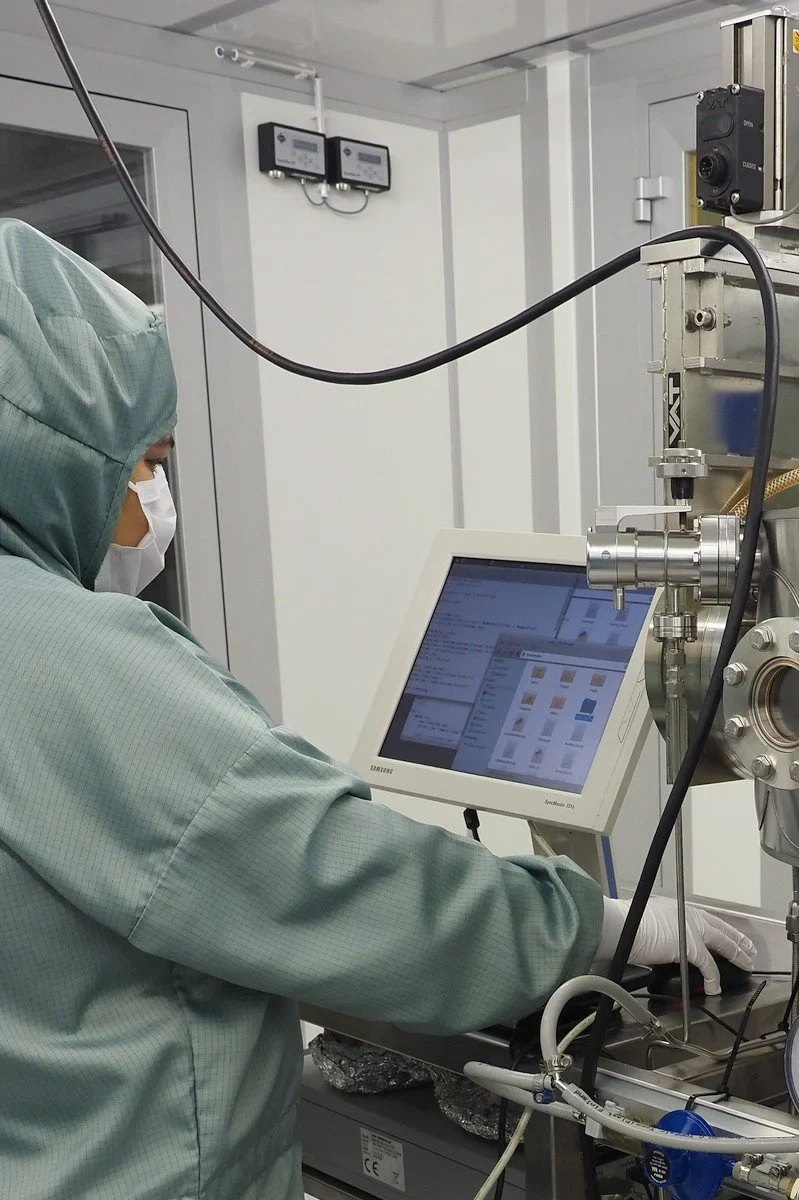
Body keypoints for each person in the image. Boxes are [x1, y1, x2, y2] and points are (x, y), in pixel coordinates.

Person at [0, 218, 755, 1200]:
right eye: (145, 461)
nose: (154, 493)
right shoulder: (67, 657)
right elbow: (325, 875)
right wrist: (590, 925)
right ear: (56, 451)